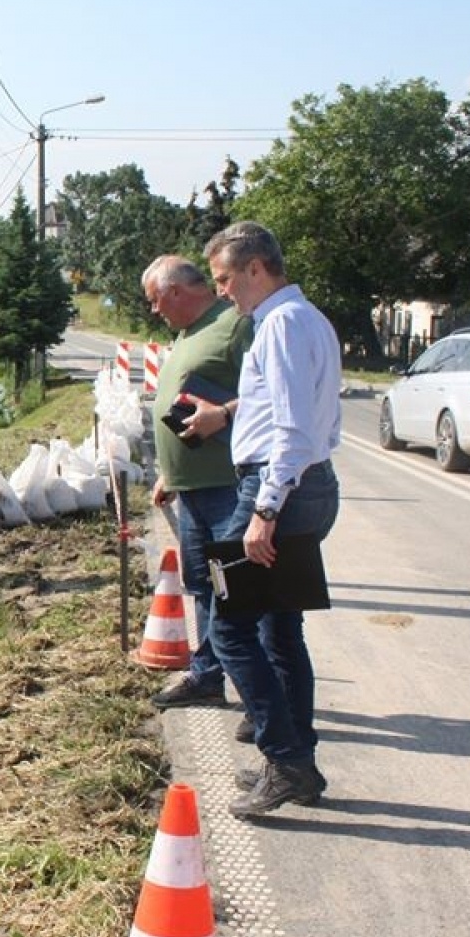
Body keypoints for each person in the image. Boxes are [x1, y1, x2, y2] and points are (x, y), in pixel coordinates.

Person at [202, 221, 342, 818]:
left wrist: (264, 510)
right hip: (302, 485)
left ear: (255, 268)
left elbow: (292, 430)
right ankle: (293, 762)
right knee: (279, 630)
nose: (224, 292)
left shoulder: (282, 325)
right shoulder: (305, 319)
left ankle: (286, 761)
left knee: (228, 626)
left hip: (276, 487)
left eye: (226, 279)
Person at [141, 256, 252, 711]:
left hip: (228, 485)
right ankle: (208, 677)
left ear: (175, 292)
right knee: (205, 586)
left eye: (154, 301)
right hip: (193, 486)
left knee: (240, 592)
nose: (154, 312)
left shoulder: (235, 326)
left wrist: (223, 416)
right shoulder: (188, 334)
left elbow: (268, 395)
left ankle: (258, 698)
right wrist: (171, 470)